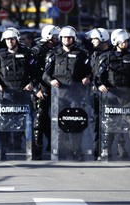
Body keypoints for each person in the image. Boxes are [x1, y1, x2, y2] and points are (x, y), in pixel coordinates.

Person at [43, 26, 92, 160]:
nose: (67, 39)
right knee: (60, 123)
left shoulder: (81, 54)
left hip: (76, 94)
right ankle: (62, 150)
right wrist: (51, 80)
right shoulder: (53, 54)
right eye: (65, 37)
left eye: (70, 37)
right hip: (59, 95)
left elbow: (89, 71)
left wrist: (87, 77)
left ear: (73, 39)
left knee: (76, 123)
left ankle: (77, 150)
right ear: (61, 39)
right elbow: (45, 74)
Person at [0, 27, 37, 161]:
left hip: (24, 93)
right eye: (7, 40)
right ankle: (2, 150)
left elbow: (34, 72)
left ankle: (28, 150)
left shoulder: (27, 54)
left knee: (27, 122)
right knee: (3, 122)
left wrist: (32, 83)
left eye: (12, 39)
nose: (9, 42)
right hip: (5, 94)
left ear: (16, 40)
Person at [95, 29, 130, 160]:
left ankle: (126, 150)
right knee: (111, 123)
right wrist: (100, 84)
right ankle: (106, 151)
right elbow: (99, 75)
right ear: (116, 41)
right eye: (123, 41)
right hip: (112, 96)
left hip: (129, 96)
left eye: (127, 41)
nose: (125, 43)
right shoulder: (107, 57)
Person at [30, 24, 60, 160]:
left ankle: (54, 143)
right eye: (55, 36)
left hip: (57, 87)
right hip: (42, 88)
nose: (57, 38)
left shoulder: (57, 50)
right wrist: (36, 89)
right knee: (40, 115)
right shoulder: (36, 51)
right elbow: (32, 73)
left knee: (53, 115)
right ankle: (37, 146)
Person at [85, 28, 111, 160]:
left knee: (113, 122)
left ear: (102, 38)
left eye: (95, 39)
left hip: (111, 95)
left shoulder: (112, 55)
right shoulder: (93, 55)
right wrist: (87, 77)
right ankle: (96, 150)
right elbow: (91, 71)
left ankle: (114, 150)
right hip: (95, 94)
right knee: (95, 121)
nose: (92, 41)